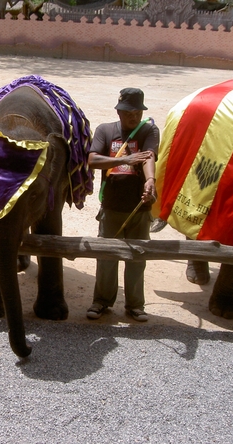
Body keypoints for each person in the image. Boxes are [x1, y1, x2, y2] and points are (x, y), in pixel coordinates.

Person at [86, 88, 159, 322]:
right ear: (119, 111)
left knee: (137, 257)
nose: (134, 117)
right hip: (111, 205)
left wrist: (150, 180)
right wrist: (124, 159)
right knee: (107, 257)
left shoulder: (149, 130)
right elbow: (93, 160)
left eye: (138, 112)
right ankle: (101, 302)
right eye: (129, 112)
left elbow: (148, 156)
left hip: (139, 206)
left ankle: (135, 305)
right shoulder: (105, 131)